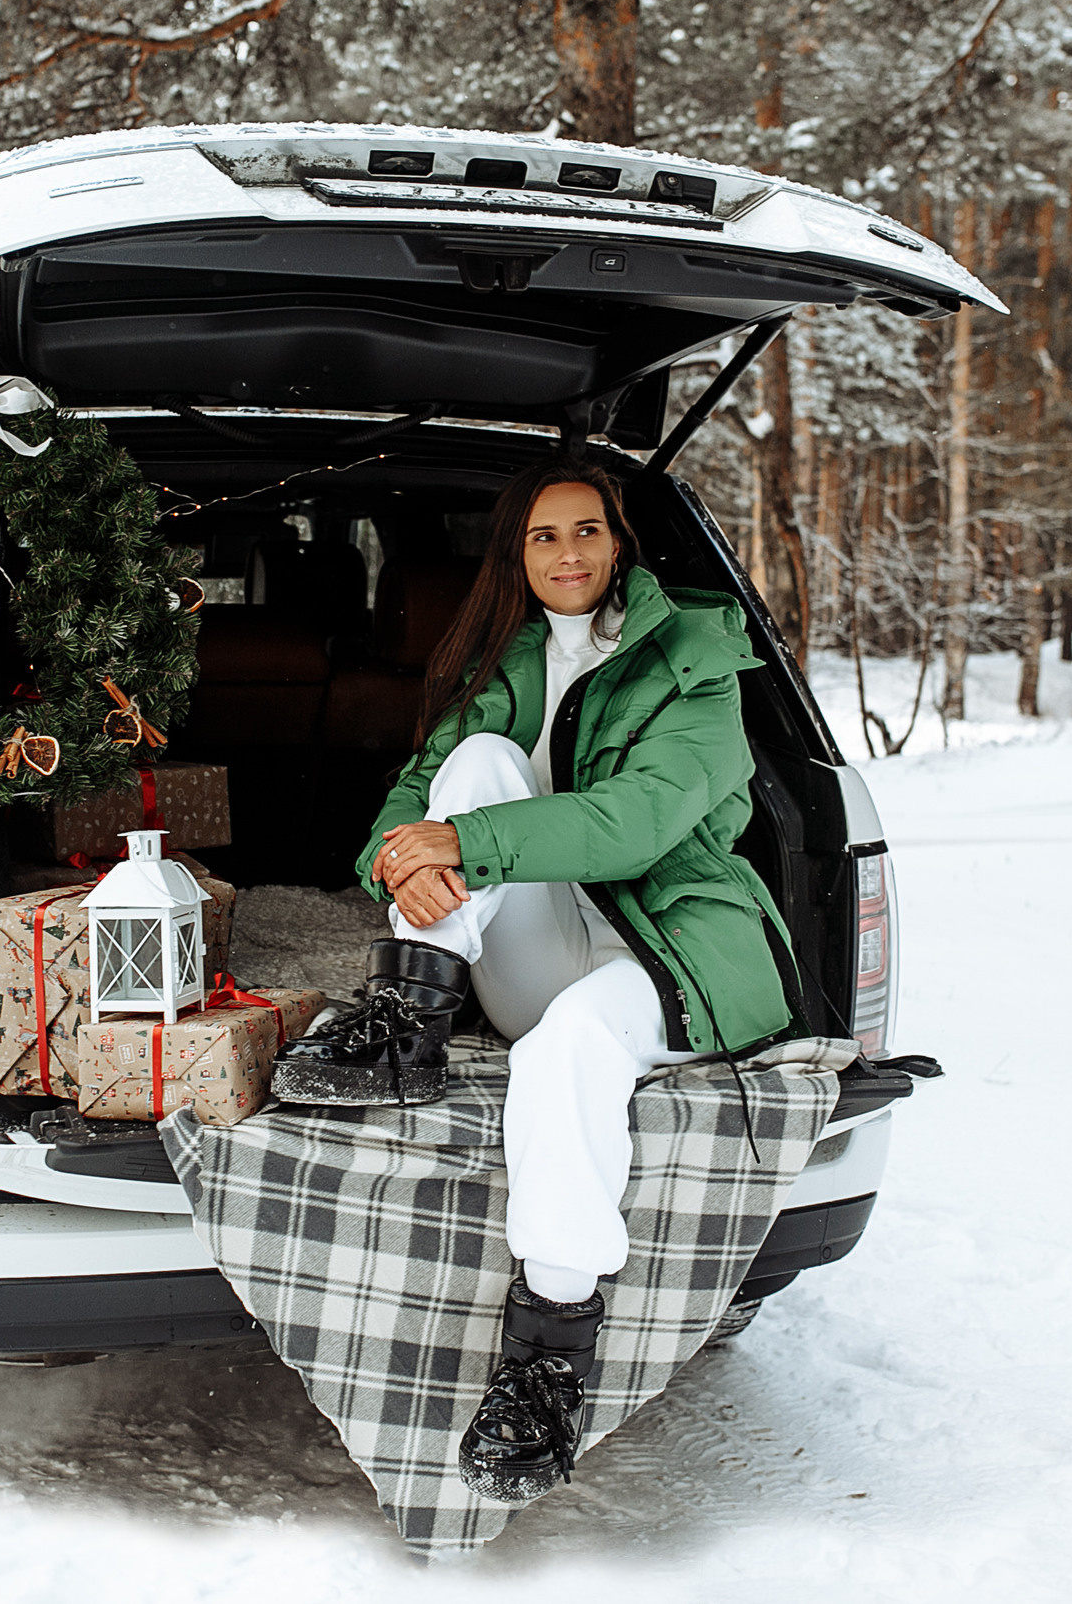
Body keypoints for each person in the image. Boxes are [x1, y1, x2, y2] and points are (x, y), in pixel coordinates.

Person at [268, 457, 805, 1503]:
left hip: (666, 949)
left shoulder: (695, 654)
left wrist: (458, 848)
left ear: (621, 542)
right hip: (533, 946)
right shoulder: (502, 664)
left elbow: (644, 819)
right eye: (543, 537)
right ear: (516, 556)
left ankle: (548, 1358)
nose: (569, 554)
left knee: (563, 1050)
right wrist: (407, 863)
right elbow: (408, 807)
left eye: (587, 531)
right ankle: (405, 1020)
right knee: (473, 762)